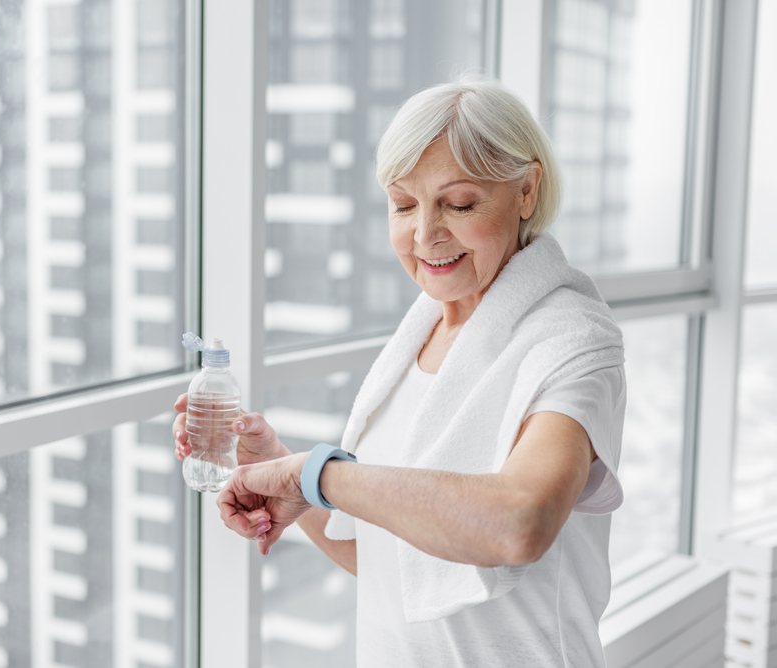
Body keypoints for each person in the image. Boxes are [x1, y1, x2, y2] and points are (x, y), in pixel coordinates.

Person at [173, 78, 625, 667]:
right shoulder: (422, 337)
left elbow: (519, 522)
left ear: (526, 190)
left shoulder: (573, 340)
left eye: (459, 204)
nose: (426, 234)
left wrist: (313, 476)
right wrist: (280, 470)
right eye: (404, 204)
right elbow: (400, 566)